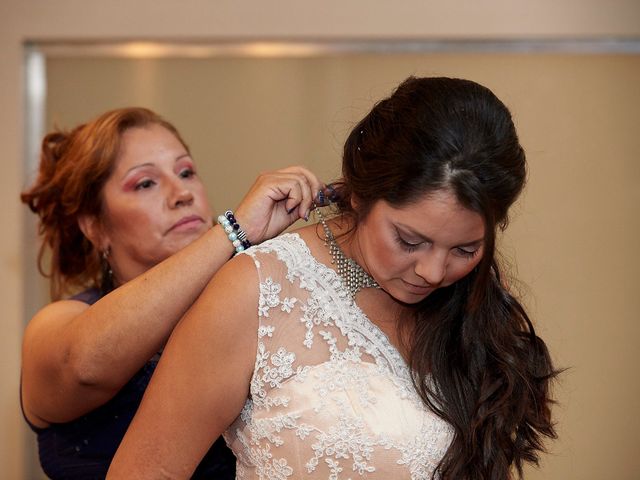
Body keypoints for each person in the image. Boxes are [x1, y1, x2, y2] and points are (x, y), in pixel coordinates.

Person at [107, 77, 559, 480]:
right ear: (359, 195)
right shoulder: (259, 289)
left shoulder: (472, 304)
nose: (433, 271)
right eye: (408, 239)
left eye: (465, 249)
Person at [20, 106, 325, 479]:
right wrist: (234, 231)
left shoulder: (247, 309)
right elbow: (84, 366)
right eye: (145, 183)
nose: (181, 192)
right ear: (95, 227)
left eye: (186, 172)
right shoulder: (57, 323)